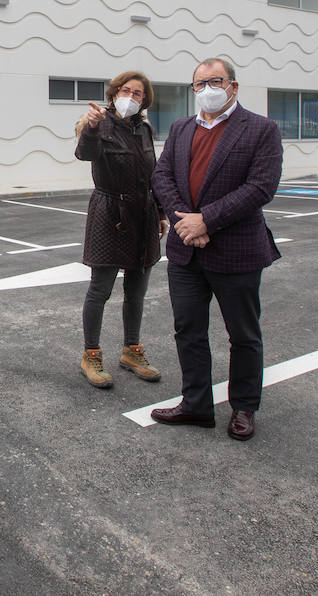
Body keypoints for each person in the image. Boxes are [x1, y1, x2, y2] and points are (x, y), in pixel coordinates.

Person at [149, 57, 282, 441]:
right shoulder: (179, 129)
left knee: (243, 335)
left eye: (215, 81)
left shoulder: (260, 129)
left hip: (236, 251)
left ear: (233, 87)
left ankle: (243, 407)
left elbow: (261, 187)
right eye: (199, 83)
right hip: (186, 251)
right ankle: (196, 405)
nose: (207, 89)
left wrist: (206, 220)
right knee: (188, 330)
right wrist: (184, 224)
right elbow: (162, 177)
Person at [73, 71, 167, 389]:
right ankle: (91, 355)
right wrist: (92, 126)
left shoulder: (144, 129)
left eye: (138, 93)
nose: (131, 96)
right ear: (114, 93)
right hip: (109, 213)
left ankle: (131, 350)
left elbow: (153, 173)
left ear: (145, 100)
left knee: (136, 293)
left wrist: (161, 213)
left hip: (143, 214)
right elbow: (84, 152)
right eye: (125, 90)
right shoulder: (100, 123)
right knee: (100, 290)